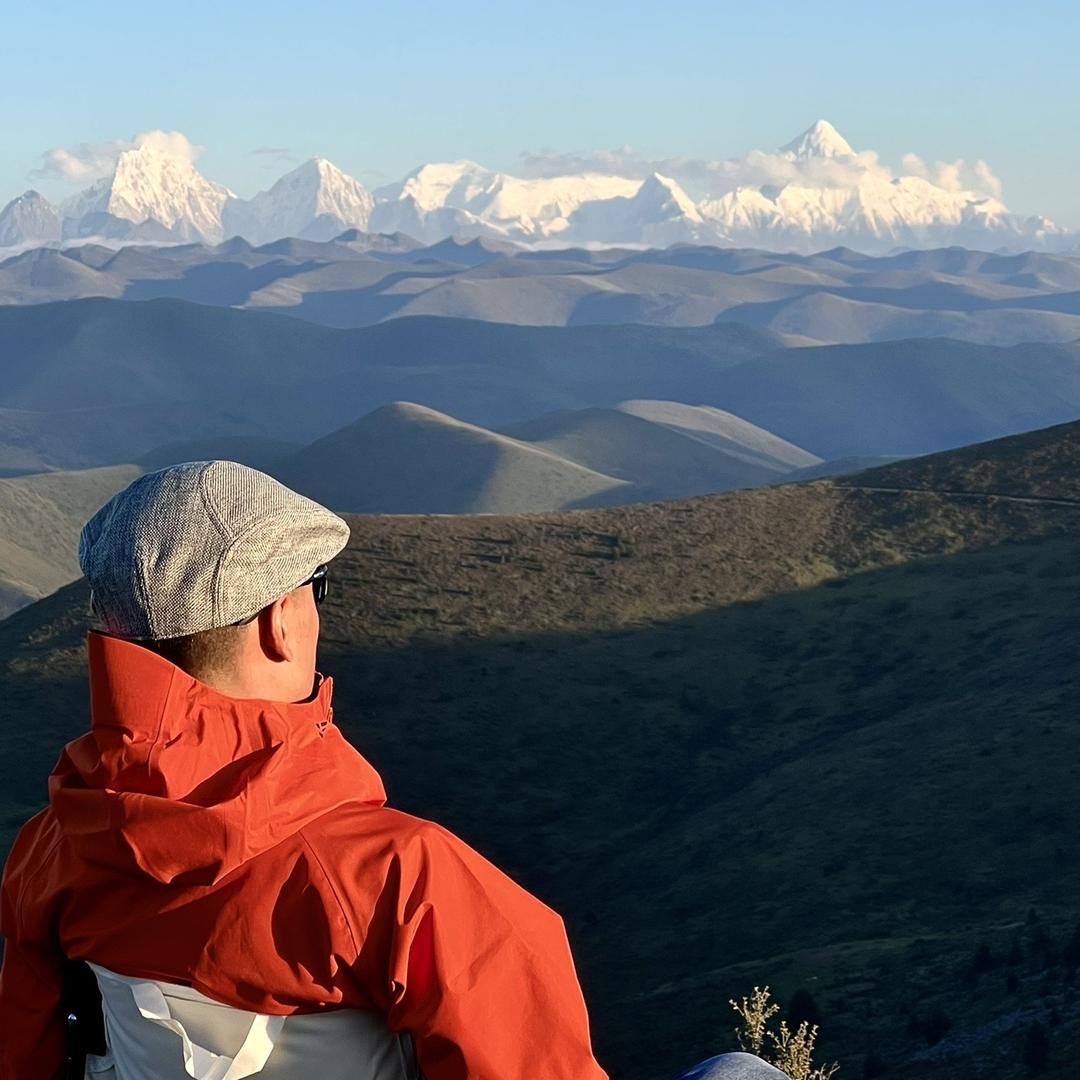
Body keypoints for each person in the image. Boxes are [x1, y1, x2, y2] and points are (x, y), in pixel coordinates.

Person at [0, 461, 609, 1078]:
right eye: (318, 586)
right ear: (278, 623)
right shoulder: (408, 877)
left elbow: (26, 1052)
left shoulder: (51, 848)